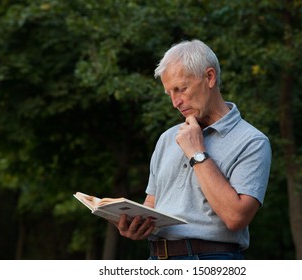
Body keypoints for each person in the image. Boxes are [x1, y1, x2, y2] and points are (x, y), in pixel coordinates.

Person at [116, 39, 271, 260]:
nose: (175, 102)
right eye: (169, 93)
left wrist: (197, 153)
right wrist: (135, 223)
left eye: (180, 89)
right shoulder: (168, 138)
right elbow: (152, 203)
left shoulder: (252, 141)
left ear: (209, 77)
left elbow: (236, 218)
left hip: (210, 259)